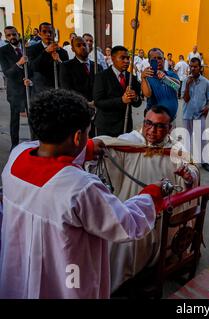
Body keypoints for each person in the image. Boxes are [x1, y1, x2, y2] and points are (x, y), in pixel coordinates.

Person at [0, 89, 163, 298]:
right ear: (77, 136)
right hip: (65, 281)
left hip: (19, 270)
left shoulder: (17, 155)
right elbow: (126, 224)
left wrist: (86, 148)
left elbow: (46, 150)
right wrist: (153, 194)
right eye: (87, 132)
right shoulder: (80, 187)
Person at [95, 105, 200, 291]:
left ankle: (158, 267)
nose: (152, 130)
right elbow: (105, 146)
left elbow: (192, 170)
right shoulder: (128, 143)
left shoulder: (176, 149)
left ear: (170, 129)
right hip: (133, 212)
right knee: (125, 252)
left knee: (164, 245)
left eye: (160, 126)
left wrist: (188, 176)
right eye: (148, 124)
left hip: (163, 216)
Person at [93, 45, 141, 137]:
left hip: (126, 125)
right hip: (106, 126)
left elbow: (137, 103)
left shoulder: (131, 77)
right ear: (113, 58)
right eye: (122, 58)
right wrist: (121, 100)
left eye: (128, 58)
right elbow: (98, 102)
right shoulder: (102, 77)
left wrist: (135, 98)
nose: (126, 61)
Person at [60, 36, 103, 137]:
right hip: (77, 109)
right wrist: (86, 103)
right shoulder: (66, 66)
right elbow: (67, 89)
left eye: (84, 45)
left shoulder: (97, 66)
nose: (83, 47)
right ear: (73, 49)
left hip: (97, 111)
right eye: (78, 45)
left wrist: (96, 101)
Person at [182, 57, 209, 172]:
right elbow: (185, 99)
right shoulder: (186, 81)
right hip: (187, 115)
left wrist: (207, 108)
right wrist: (187, 86)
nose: (192, 69)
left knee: (202, 139)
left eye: (195, 67)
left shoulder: (205, 82)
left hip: (200, 115)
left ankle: (204, 161)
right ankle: (187, 162)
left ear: (200, 68)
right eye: (191, 66)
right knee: (187, 139)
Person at [0, 26, 28, 150]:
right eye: (8, 35)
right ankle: (15, 145)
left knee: (33, 117)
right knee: (15, 119)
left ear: (18, 34)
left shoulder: (27, 48)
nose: (12, 37)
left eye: (13, 34)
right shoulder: (3, 51)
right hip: (14, 90)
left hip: (29, 87)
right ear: (6, 37)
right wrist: (19, 64)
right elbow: (7, 72)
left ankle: (35, 142)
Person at [27, 22, 69, 93]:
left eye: (50, 32)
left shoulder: (62, 52)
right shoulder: (32, 49)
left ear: (54, 35)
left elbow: (66, 72)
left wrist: (59, 61)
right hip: (39, 90)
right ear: (39, 33)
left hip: (57, 89)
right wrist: (46, 51)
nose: (48, 34)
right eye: (44, 32)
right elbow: (33, 67)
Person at [141, 48, 180, 121]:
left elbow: (176, 87)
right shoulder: (147, 77)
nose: (157, 61)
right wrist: (143, 78)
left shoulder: (171, 74)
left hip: (171, 120)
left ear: (164, 60)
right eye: (154, 59)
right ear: (149, 61)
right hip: (155, 121)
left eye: (159, 58)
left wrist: (165, 78)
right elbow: (147, 94)